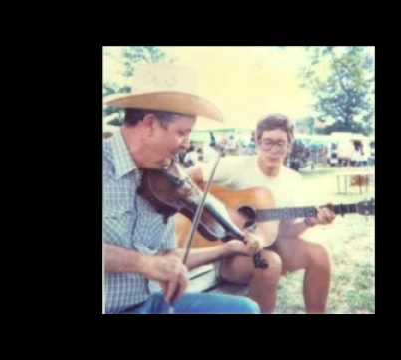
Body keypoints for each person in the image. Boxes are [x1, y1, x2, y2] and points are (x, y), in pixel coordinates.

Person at [103, 63, 260, 314]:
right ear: (150, 124)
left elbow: (166, 255)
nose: (186, 144)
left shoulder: (163, 182)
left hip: (152, 303)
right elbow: (151, 263)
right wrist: (144, 264)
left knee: (245, 309)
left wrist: (226, 248)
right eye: (182, 133)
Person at [188, 114, 336, 313]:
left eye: (280, 144)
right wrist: (219, 214)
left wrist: (311, 221)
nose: (274, 150)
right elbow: (187, 178)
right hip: (229, 253)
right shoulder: (236, 166)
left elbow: (286, 233)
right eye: (268, 143)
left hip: (271, 246)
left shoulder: (293, 180)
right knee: (270, 263)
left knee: (319, 255)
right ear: (257, 142)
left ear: (289, 146)